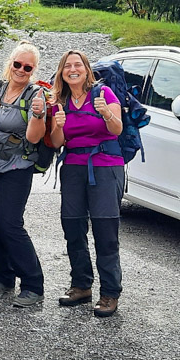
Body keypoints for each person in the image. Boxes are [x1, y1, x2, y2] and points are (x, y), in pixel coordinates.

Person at [50, 50, 125, 318]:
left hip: (105, 167)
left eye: (77, 65)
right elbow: (57, 142)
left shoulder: (104, 94)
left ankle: (110, 292)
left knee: (105, 231)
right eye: (67, 66)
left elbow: (117, 129)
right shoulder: (61, 100)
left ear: (86, 69)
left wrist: (106, 114)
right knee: (72, 226)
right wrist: (57, 126)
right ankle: (81, 285)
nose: (73, 69)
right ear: (62, 72)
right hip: (73, 168)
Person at [0, 41, 47, 307]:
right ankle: (3, 279)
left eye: (28, 67)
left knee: (10, 223)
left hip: (16, 166)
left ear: (33, 70)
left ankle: (33, 284)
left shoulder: (35, 96)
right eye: (17, 64)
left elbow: (33, 137)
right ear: (10, 63)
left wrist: (38, 116)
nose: (21, 70)